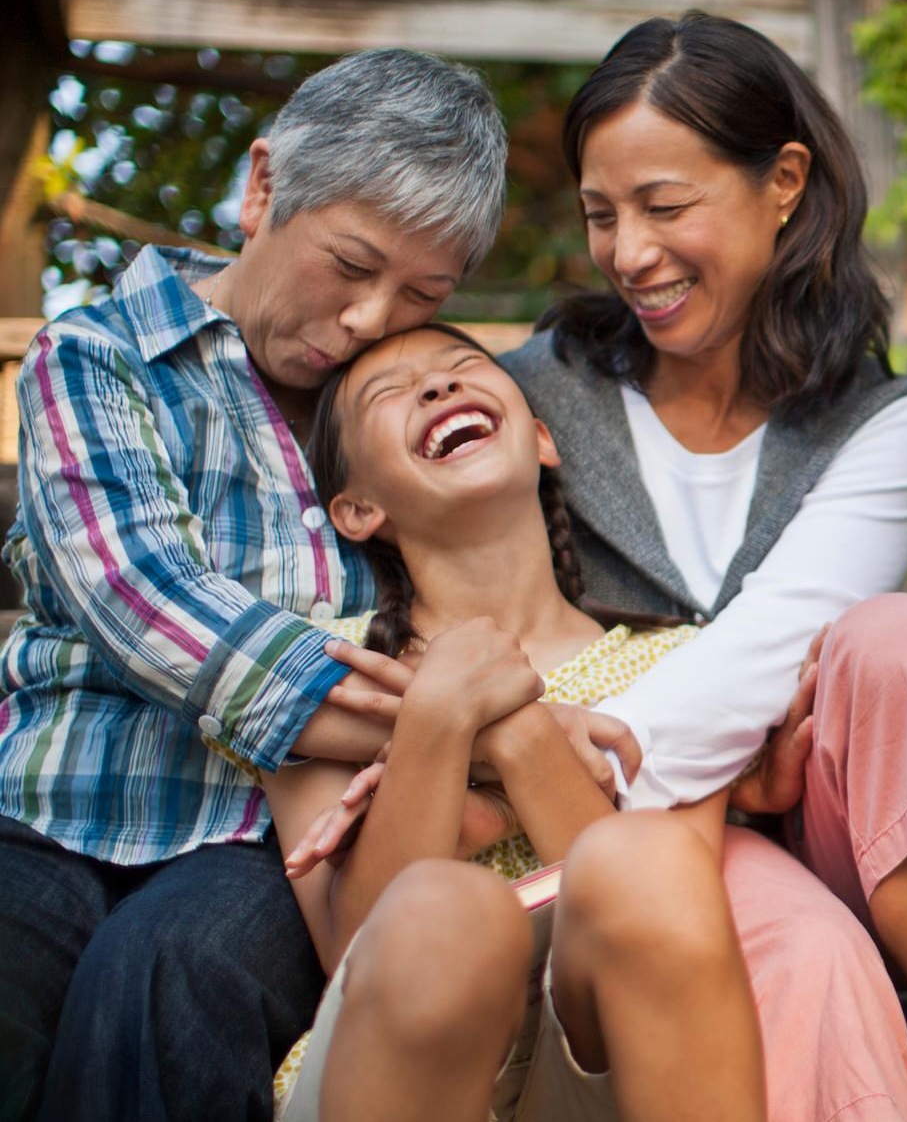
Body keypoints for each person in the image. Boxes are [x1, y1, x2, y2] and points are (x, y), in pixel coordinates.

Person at [504, 14, 907, 1121]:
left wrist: (548, 740)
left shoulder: (883, 426)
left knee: (903, 641)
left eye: (665, 205)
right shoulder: (535, 398)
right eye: (603, 216)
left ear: (783, 180)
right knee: (787, 940)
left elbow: (772, 644)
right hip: (600, 860)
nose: (629, 254)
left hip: (828, 835)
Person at [0, 50, 509, 1122]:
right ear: (264, 186)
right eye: (351, 265)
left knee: (173, 974)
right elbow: (146, 599)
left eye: (422, 295)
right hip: (50, 806)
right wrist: (446, 725)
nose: (373, 319)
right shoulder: (102, 357)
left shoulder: (387, 425)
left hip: (266, 838)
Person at [265, 323, 773, 1122]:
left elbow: (665, 914)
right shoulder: (326, 677)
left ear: (541, 438)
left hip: (604, 1051)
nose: (437, 387)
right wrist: (438, 712)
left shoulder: (682, 659)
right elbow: (352, 943)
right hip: (395, 1063)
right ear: (358, 508)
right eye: (391, 393)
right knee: (448, 911)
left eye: (463, 367)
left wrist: (513, 732)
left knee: (646, 854)